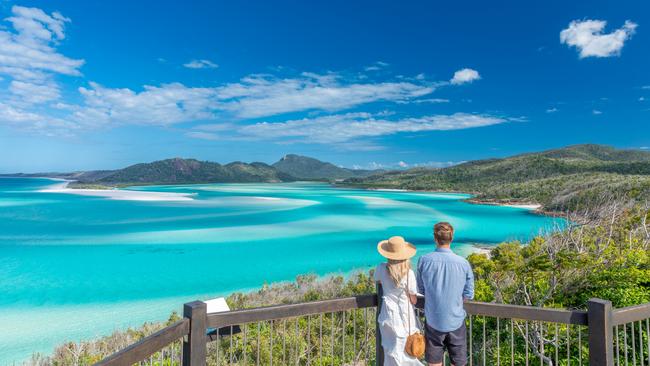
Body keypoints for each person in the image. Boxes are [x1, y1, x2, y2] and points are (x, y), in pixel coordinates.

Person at [417, 222, 474, 366]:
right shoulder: (463, 263)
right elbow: (469, 294)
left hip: (433, 321)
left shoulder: (424, 260)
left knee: (434, 363)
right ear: (451, 238)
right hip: (456, 321)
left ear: (435, 238)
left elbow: (421, 290)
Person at [375, 236, 424, 366]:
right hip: (405, 316)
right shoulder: (409, 273)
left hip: (388, 315)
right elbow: (413, 299)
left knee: (390, 350)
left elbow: (378, 280)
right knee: (407, 351)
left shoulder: (381, 268)